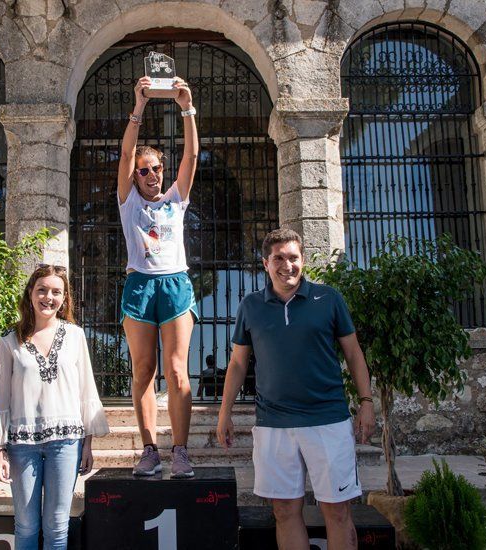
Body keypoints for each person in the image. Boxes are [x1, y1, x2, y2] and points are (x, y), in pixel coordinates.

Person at [216, 228, 376, 550]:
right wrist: (224, 413)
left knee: (337, 510)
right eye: (279, 258)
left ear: (303, 261)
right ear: (266, 263)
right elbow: (237, 364)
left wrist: (367, 402)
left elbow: (354, 353)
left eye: (293, 258)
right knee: (285, 511)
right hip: (274, 425)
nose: (286, 265)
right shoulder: (250, 306)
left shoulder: (329, 298)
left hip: (328, 420)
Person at [0, 265, 110, 550]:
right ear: (30, 293)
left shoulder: (76, 336)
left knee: (57, 527)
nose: (48, 297)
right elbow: (0, 397)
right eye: (42, 289)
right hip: (22, 445)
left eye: (56, 291)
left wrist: (87, 444)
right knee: (26, 526)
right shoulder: (9, 340)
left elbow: (86, 389)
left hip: (66, 444)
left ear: (64, 298)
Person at [117, 75, 199, 478]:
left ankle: (180, 451)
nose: (151, 174)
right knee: (143, 370)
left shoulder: (176, 200)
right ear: (135, 175)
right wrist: (140, 105)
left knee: (178, 370)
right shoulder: (129, 202)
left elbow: (192, 158)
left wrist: (187, 108)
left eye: (156, 168)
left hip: (175, 283)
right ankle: (150, 449)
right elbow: (126, 151)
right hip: (139, 285)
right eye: (144, 170)